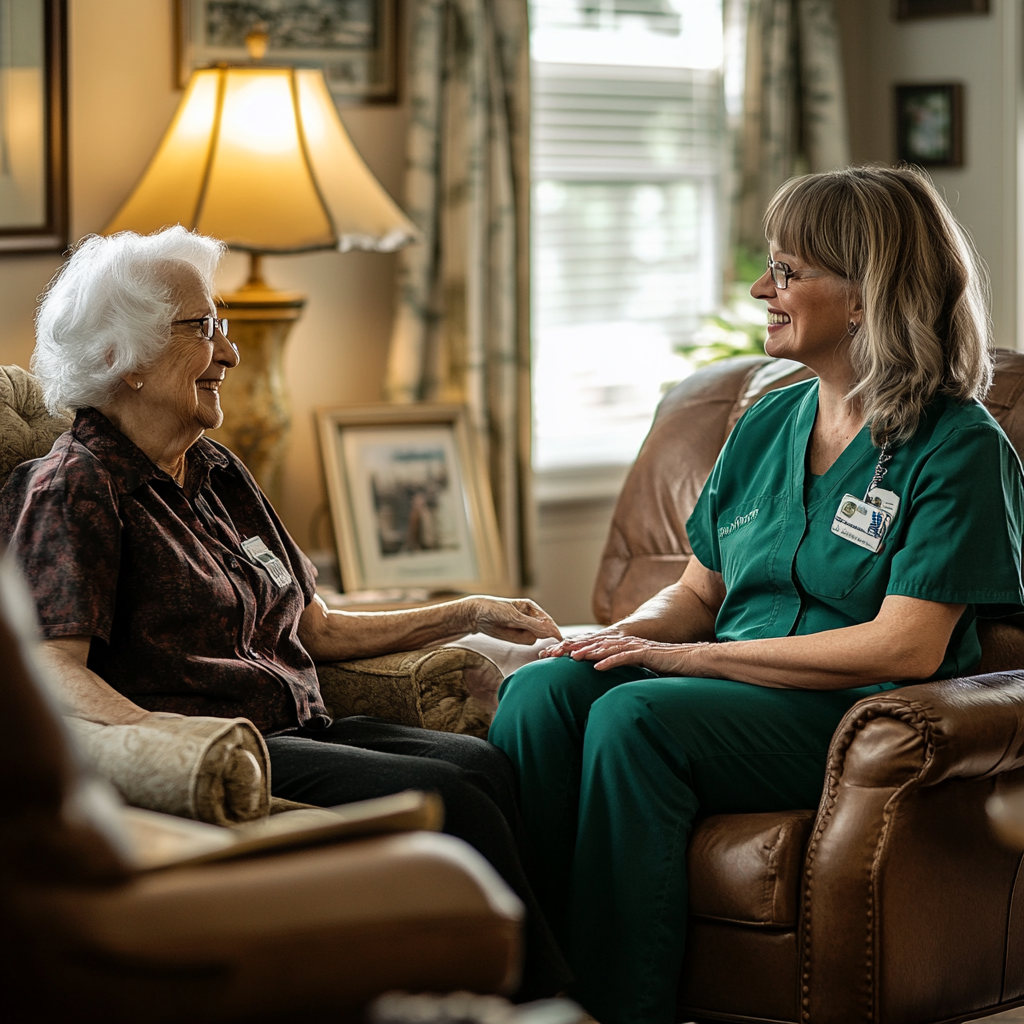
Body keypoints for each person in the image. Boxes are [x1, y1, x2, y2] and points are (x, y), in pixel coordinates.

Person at [488, 165, 1024, 1024]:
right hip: (721, 682)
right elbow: (696, 593)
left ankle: (618, 1008)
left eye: (786, 271)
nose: (758, 289)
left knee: (639, 718)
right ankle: (531, 992)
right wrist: (618, 638)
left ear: (863, 297)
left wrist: (689, 659)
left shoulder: (959, 446)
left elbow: (905, 647)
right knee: (542, 694)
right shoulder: (771, 417)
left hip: (849, 711)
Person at [0, 226, 570, 999]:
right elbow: (53, 669)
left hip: (297, 725)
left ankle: (512, 992)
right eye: (202, 329)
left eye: (221, 326)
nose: (229, 352)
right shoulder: (76, 486)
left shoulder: (214, 470)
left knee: (485, 762)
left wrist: (468, 611)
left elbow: (316, 626)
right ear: (119, 358)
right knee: (458, 795)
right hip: (219, 744)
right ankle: (552, 1004)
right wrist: (165, 737)